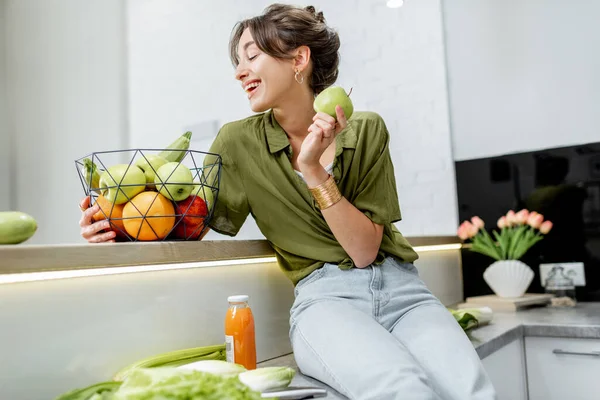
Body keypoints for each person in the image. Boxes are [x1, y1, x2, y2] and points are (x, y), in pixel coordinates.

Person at [79, 4, 496, 399]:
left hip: (405, 293)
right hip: (327, 302)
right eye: (237, 63)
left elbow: (366, 249)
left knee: (472, 392)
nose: (240, 72)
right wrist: (115, 228)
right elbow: (186, 227)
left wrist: (313, 169)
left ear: (299, 60)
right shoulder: (238, 142)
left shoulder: (366, 129)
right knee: (402, 390)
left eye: (251, 56)